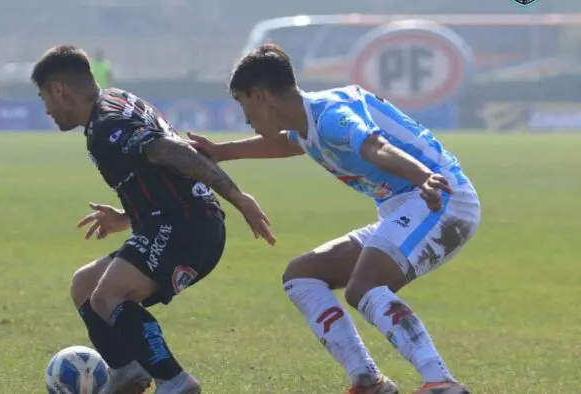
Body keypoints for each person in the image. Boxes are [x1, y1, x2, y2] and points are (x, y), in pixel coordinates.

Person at [188, 44, 479, 394]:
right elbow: (292, 143)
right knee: (302, 276)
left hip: (440, 198)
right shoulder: (309, 122)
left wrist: (421, 177)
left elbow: (376, 147)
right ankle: (367, 380)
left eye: (242, 102)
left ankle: (441, 381)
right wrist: (222, 152)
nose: (244, 115)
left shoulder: (331, 116)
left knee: (365, 287)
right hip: (409, 204)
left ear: (260, 95)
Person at [30, 45, 275, 394]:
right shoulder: (115, 101)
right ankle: (127, 371)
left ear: (59, 90)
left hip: (187, 226)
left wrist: (238, 197)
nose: (47, 109)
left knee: (108, 297)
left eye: (44, 98)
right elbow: (157, 175)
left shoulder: (108, 124)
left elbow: (172, 152)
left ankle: (174, 380)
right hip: (173, 221)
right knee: (85, 285)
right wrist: (126, 215)